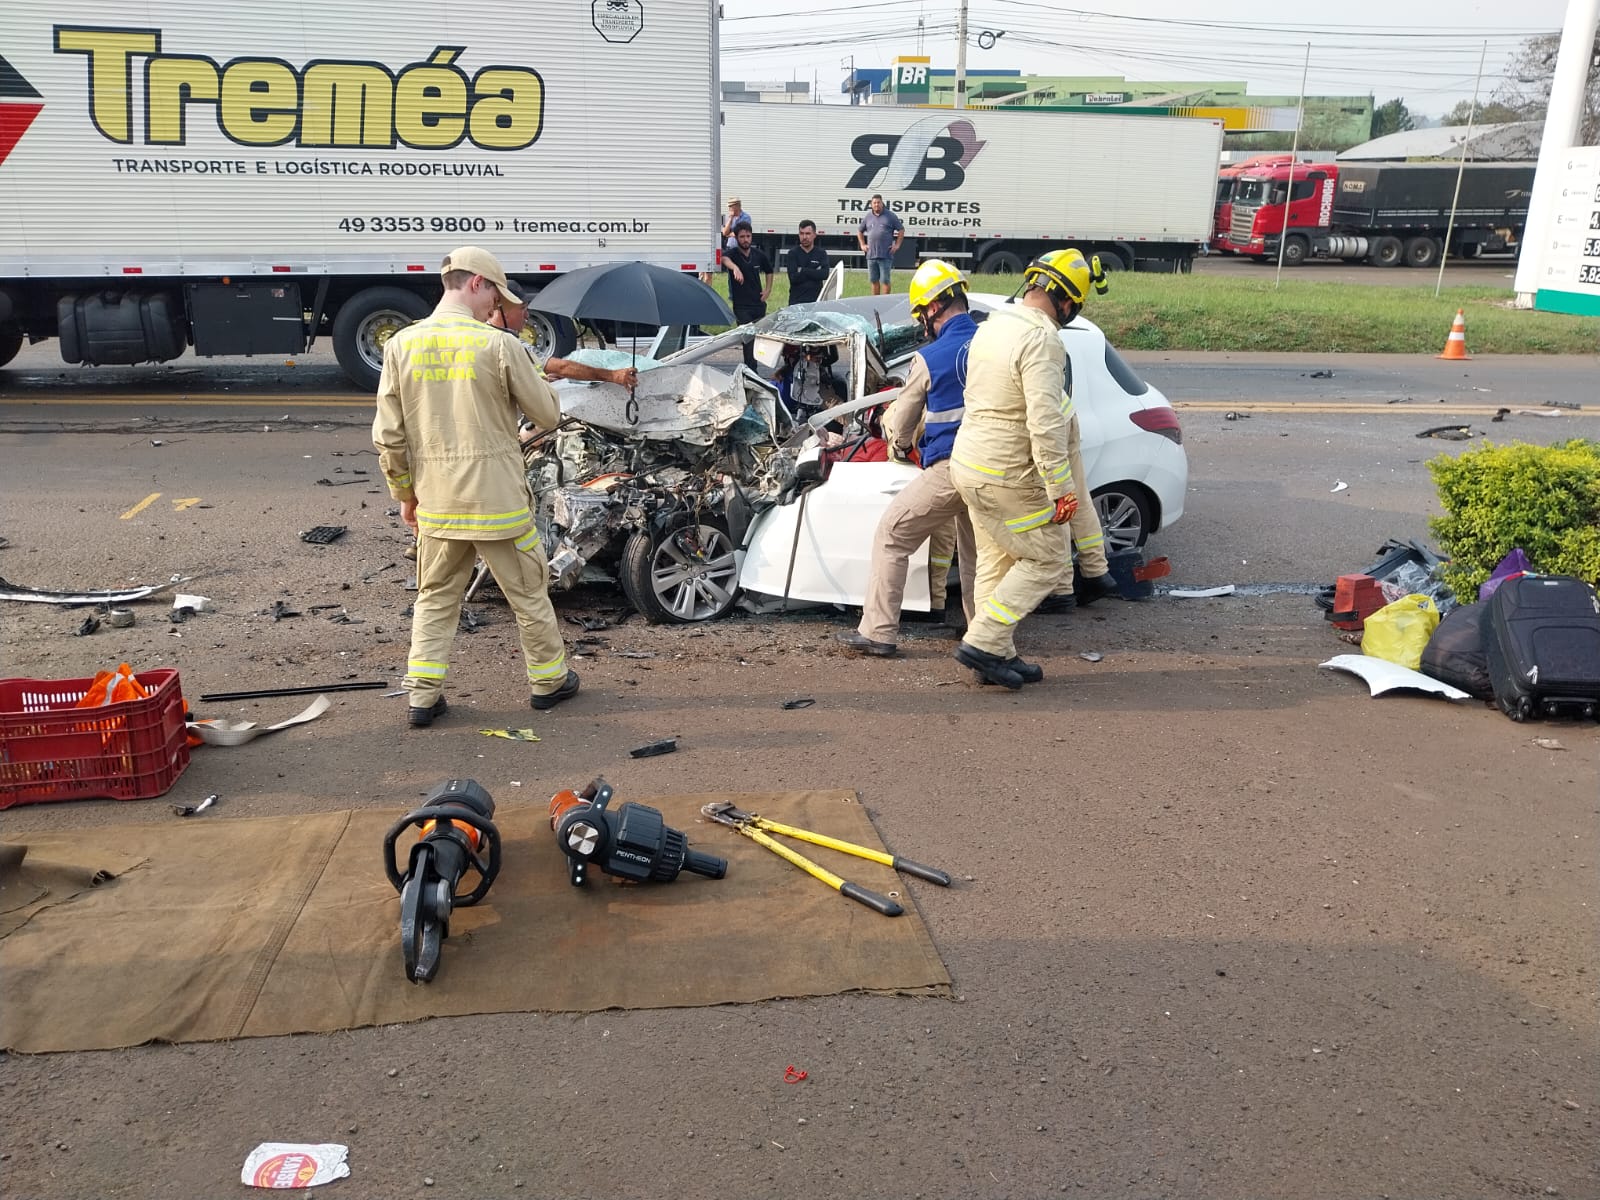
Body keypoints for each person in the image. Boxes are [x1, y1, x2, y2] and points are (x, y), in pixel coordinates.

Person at [373, 246, 581, 727]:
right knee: (528, 595)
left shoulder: (401, 345)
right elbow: (548, 414)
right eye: (496, 295)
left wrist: (406, 495)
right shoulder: (499, 344)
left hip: (440, 503)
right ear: (475, 284)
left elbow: (388, 435)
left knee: (436, 597)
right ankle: (548, 683)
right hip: (500, 504)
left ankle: (422, 697)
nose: (497, 307)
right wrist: (523, 362)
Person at [948, 248, 1092, 690]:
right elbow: (1045, 422)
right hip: (1007, 472)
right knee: (1048, 558)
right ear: (1067, 302)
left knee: (996, 558)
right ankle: (985, 640)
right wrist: (1061, 489)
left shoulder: (992, 325)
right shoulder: (1044, 340)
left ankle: (998, 655)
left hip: (968, 464)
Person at [837, 260, 978, 658]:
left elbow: (901, 426)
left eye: (922, 314)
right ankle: (982, 637)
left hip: (951, 468)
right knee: (975, 557)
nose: (923, 322)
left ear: (933, 308)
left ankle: (878, 632)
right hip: (992, 469)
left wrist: (894, 439)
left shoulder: (930, 357)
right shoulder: (990, 346)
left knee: (892, 535)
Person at [488, 280, 638, 389]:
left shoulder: (485, 334)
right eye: (522, 309)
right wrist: (612, 376)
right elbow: (561, 367)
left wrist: (540, 379)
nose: (527, 315)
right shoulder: (508, 342)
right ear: (503, 310)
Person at [723, 225, 772, 368]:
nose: (745, 240)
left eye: (748, 236)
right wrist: (735, 268)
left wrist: (768, 290)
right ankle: (751, 372)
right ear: (736, 238)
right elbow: (723, 259)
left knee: (758, 340)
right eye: (742, 237)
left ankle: (754, 369)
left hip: (758, 304)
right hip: (741, 306)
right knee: (748, 340)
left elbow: (769, 271)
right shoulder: (732, 254)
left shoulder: (758, 255)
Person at [856, 194, 904, 296]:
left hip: (885, 254)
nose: (876, 205)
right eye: (874, 203)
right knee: (873, 280)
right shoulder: (868, 216)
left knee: (885, 280)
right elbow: (860, 231)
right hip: (871, 255)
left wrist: (897, 245)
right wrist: (862, 244)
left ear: (882, 203)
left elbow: (901, 229)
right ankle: (875, 301)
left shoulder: (890, 216)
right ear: (871, 204)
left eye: (878, 202)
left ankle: (884, 301)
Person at [785, 220, 831, 306]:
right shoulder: (793, 253)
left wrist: (803, 270)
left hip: (816, 302)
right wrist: (815, 271)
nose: (804, 237)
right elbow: (793, 278)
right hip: (796, 303)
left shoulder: (821, 253)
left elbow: (824, 274)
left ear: (814, 235)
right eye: (801, 233)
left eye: (808, 234)